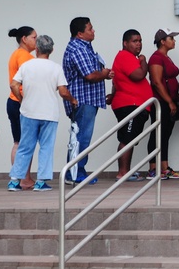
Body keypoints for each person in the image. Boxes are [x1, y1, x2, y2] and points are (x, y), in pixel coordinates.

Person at [8, 35, 77, 192]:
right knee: (46, 147)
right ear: (52, 50)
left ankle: (14, 181)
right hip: (49, 114)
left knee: (25, 146)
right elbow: (63, 91)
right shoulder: (56, 68)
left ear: (36, 49)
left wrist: (21, 99)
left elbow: (13, 84)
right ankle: (40, 182)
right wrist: (72, 100)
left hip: (28, 112)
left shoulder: (27, 66)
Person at [62, 17, 112, 185]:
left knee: (81, 136)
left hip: (88, 99)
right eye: (90, 28)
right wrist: (104, 74)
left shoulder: (85, 47)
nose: (93, 31)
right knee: (81, 137)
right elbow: (90, 75)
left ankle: (76, 171)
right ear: (80, 33)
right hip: (82, 100)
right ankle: (75, 173)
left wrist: (104, 73)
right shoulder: (77, 49)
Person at [110, 29, 153, 181]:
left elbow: (118, 81)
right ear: (125, 43)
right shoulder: (124, 56)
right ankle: (123, 173)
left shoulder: (129, 57)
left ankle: (126, 171)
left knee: (130, 139)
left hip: (136, 104)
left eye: (140, 41)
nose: (138, 44)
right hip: (130, 104)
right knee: (127, 139)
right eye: (135, 41)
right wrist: (143, 61)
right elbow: (138, 75)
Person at [146, 29, 179, 180]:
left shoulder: (166, 57)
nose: (174, 41)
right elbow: (156, 82)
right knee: (157, 134)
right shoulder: (156, 58)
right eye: (171, 38)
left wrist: (176, 99)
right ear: (162, 41)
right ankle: (153, 169)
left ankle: (164, 168)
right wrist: (169, 102)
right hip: (160, 102)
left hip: (170, 101)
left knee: (165, 134)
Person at [6, 26, 37, 189]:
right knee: (24, 142)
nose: (36, 41)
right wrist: (25, 101)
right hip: (20, 102)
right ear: (24, 39)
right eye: (34, 37)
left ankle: (19, 178)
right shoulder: (25, 57)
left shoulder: (16, 54)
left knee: (18, 141)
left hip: (13, 102)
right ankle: (24, 179)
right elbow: (22, 84)